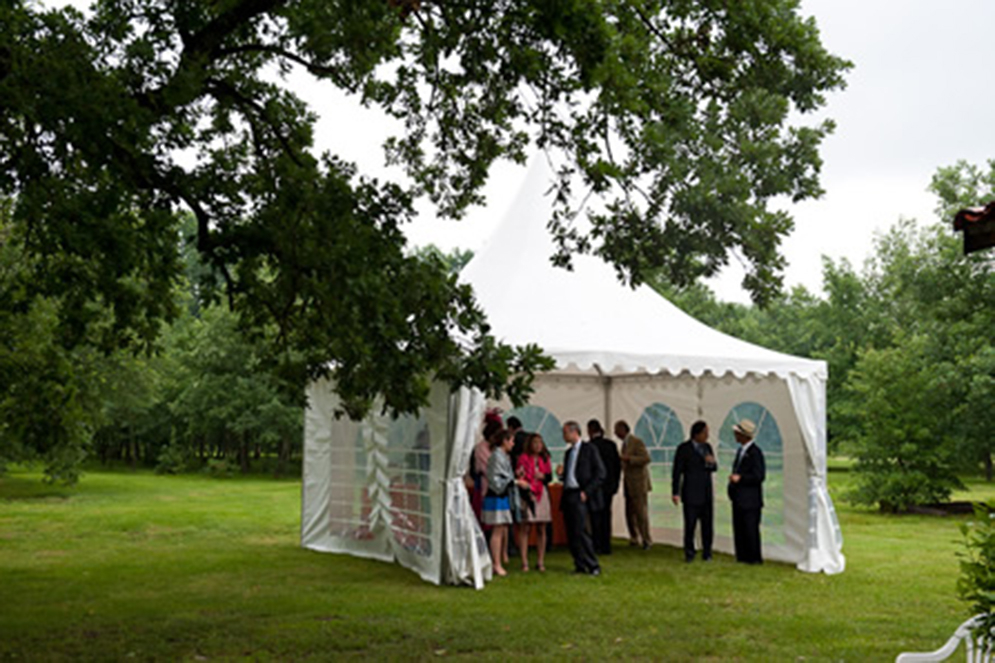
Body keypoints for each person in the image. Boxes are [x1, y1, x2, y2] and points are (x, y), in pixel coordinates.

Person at [557, 420, 606, 576]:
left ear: (574, 432)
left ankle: (593, 565)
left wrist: (587, 491)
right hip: (569, 493)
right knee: (571, 532)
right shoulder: (568, 453)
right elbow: (570, 475)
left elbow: (600, 473)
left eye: (565, 432)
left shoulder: (589, 449)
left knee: (581, 531)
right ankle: (579, 564)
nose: (563, 436)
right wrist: (561, 475)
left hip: (581, 494)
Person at [483, 429, 529, 576]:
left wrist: (514, 477)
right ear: (505, 441)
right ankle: (496, 563)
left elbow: (503, 477)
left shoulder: (503, 456)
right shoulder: (497, 456)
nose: (513, 444)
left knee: (502, 529)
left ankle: (498, 561)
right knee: (497, 531)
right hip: (496, 496)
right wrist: (516, 482)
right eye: (512, 441)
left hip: (502, 496)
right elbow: (496, 480)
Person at [672, 420, 718, 562]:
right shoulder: (684, 449)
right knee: (690, 525)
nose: (707, 436)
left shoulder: (707, 447)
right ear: (696, 434)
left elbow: (714, 468)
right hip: (691, 492)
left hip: (706, 492)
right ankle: (689, 552)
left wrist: (712, 462)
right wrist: (675, 492)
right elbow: (677, 472)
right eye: (705, 433)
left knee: (707, 525)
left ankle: (707, 552)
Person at [727, 419, 765, 564]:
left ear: (744, 435)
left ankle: (754, 558)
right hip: (738, 498)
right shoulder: (740, 451)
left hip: (750, 500)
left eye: (737, 433)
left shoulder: (755, 453)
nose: (735, 435)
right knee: (739, 528)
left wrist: (741, 478)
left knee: (750, 529)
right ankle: (741, 556)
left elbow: (759, 476)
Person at [516, 433, 552, 572]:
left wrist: (543, 476)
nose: (538, 445)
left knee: (541, 527)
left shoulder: (545, 458)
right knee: (525, 527)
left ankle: (540, 560)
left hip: (541, 493)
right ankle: (524, 561)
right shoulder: (523, 458)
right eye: (535, 442)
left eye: (540, 443)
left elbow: (549, 477)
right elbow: (519, 475)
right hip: (528, 493)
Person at [615, 420, 652, 550]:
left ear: (623, 430)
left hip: (639, 484)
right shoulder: (623, 444)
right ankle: (634, 537)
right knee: (629, 512)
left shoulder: (636, 442)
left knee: (641, 513)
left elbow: (646, 458)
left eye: (617, 430)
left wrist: (629, 459)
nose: (615, 432)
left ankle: (646, 539)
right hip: (628, 483)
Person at [587, 419, 621, 555]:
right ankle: (606, 545)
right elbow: (617, 466)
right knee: (606, 514)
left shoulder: (590, 446)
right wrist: (616, 483)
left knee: (595, 515)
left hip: (595, 486)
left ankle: (597, 544)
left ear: (590, 430)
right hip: (609, 486)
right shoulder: (611, 445)